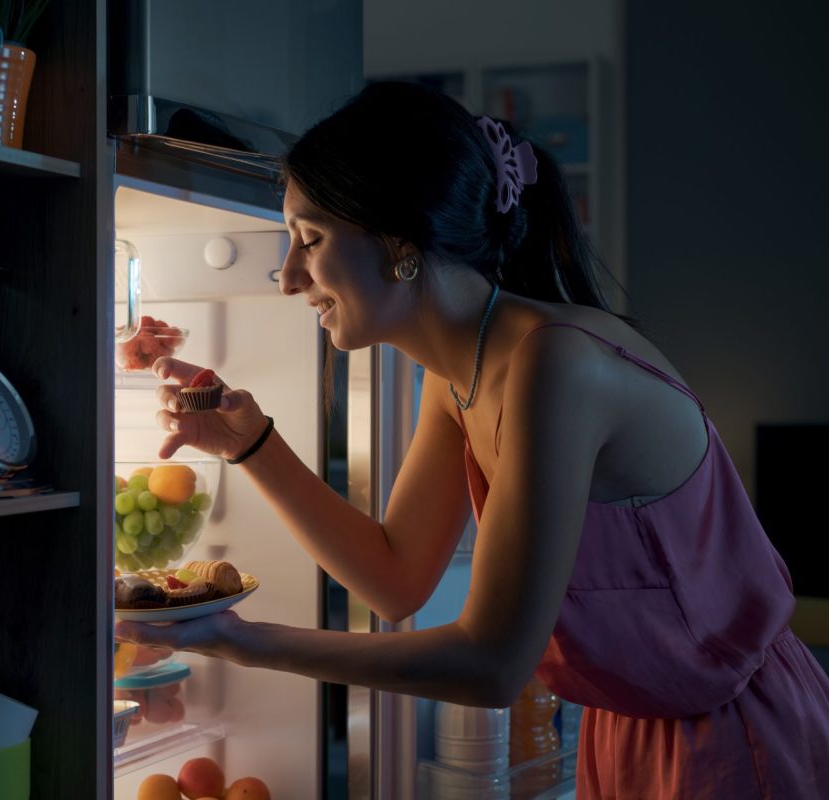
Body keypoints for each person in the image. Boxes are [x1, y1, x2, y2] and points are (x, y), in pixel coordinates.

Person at [114, 81, 829, 798]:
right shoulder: (460, 371)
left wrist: (241, 640)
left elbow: (492, 665)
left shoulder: (555, 366)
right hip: (637, 724)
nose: (289, 279)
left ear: (399, 243)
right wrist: (249, 443)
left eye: (310, 239)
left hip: (731, 731)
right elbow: (394, 580)